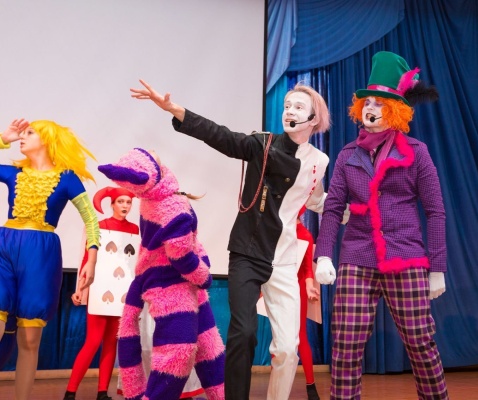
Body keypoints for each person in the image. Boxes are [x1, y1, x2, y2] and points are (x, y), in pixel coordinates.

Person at [130, 79, 330, 400]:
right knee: (244, 333)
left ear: (314, 119)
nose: (289, 111)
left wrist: (348, 209)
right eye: (287, 106)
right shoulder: (261, 144)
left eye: (298, 107)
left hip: (284, 259)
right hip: (247, 253)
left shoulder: (320, 161)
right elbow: (220, 135)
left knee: (287, 349)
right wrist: (174, 109)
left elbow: (318, 199)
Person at [314, 51, 449, 399]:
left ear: (395, 110)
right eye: (367, 102)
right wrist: (324, 254)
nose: (371, 108)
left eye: (380, 103)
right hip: (358, 257)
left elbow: (435, 211)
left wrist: (438, 268)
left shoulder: (417, 152)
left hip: (405, 257)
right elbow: (333, 208)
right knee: (345, 344)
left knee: (420, 342)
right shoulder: (348, 155)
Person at [98, 148, 225, 400]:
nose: (155, 153)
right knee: (178, 352)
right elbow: (180, 255)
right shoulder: (170, 206)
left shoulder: (155, 199)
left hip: (179, 285)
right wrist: (203, 275)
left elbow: (188, 243)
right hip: (171, 287)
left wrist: (201, 261)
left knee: (209, 349)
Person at [0, 118, 100, 400]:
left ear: (47, 140)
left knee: (29, 339)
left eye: (29, 133)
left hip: (41, 254)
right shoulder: (13, 173)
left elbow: (91, 220)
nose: (22, 137)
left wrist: (91, 259)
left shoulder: (67, 178)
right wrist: (3, 139)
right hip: (4, 246)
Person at [64, 187, 139, 400]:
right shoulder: (100, 226)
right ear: (112, 204)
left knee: (111, 343)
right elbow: (86, 259)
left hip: (122, 295)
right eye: (120, 201)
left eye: (128, 202)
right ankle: (70, 392)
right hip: (99, 291)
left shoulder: (135, 229)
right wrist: (80, 289)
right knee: (93, 341)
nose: (125, 206)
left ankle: (102, 392)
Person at [296, 206, 321, 400]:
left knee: (300, 334)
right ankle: (277, 385)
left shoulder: (304, 234)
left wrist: (309, 285)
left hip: (297, 287)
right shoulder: (274, 229)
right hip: (276, 286)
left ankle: (310, 384)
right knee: (278, 338)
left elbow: (307, 268)